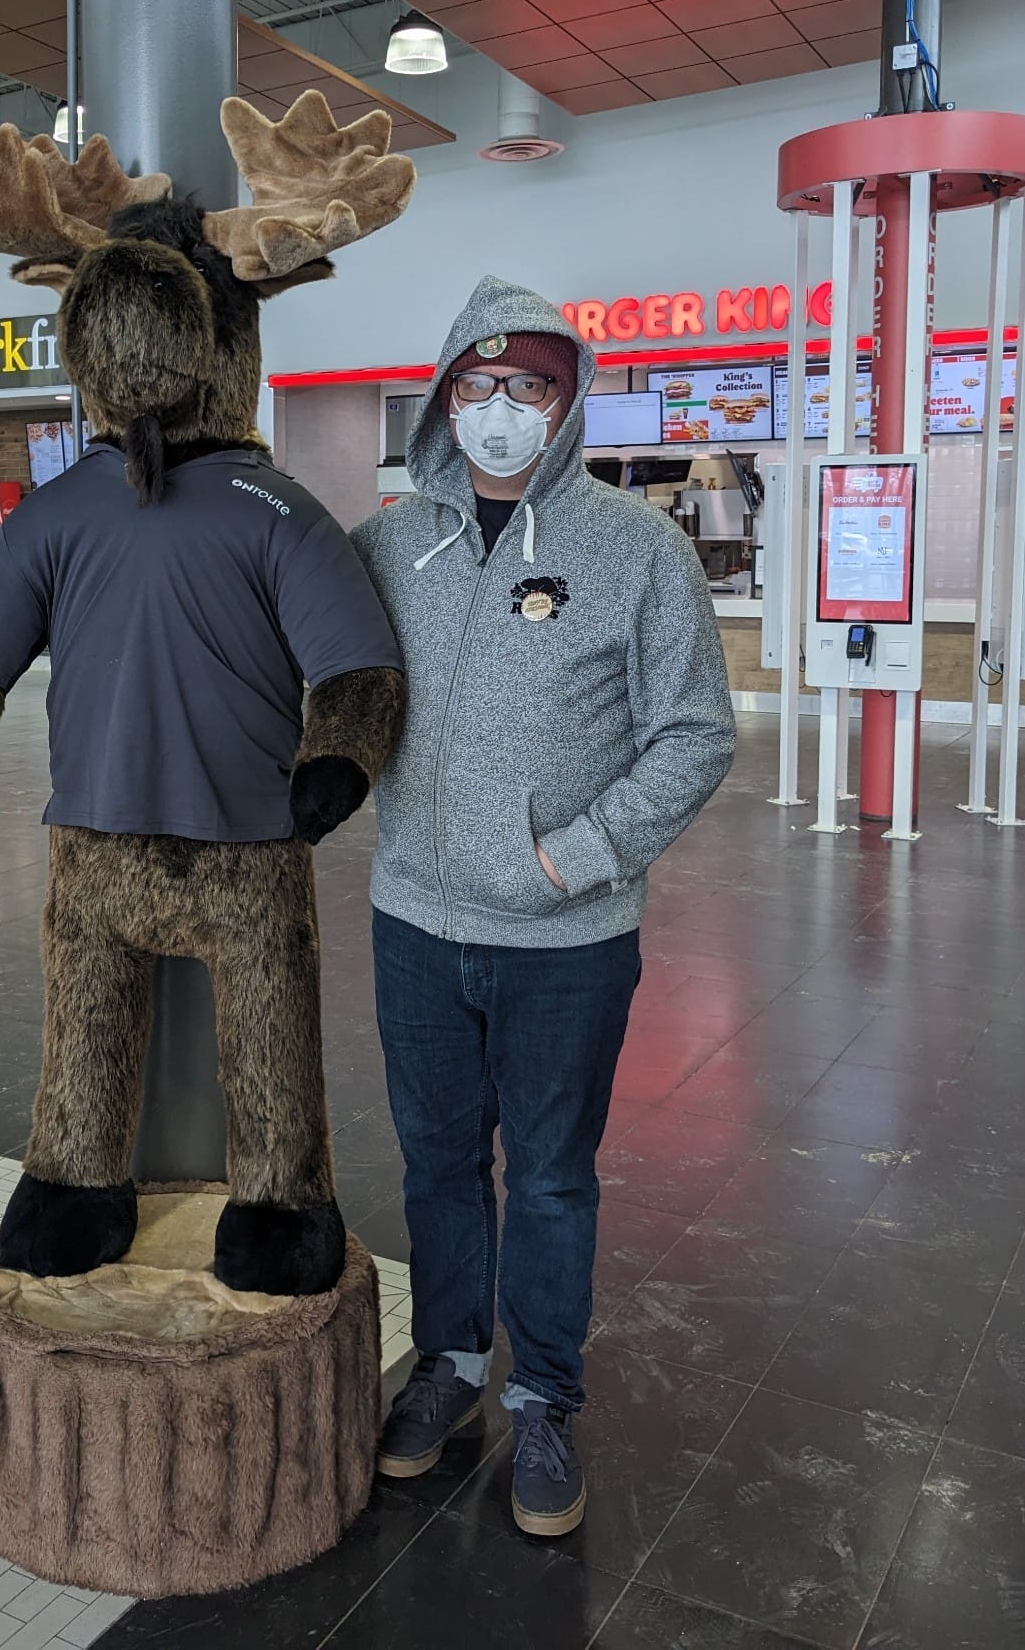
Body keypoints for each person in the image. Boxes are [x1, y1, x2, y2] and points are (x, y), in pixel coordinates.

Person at [350, 274, 735, 1538]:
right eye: (479, 382)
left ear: (568, 400)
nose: (500, 408)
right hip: (413, 923)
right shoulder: (393, 541)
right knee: (438, 1167)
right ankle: (450, 1367)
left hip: (567, 938)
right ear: (445, 392)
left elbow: (694, 736)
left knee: (554, 1177)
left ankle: (544, 1395)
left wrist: (575, 858)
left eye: (528, 385)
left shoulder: (638, 550)